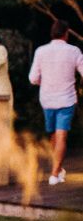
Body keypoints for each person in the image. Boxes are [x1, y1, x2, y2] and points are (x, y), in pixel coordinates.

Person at [29, 19, 83, 185]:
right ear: (66, 34)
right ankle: (56, 171)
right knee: (60, 136)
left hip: (47, 99)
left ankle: (54, 172)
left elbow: (33, 78)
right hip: (66, 99)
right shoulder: (74, 51)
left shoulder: (41, 51)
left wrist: (44, 82)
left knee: (55, 135)